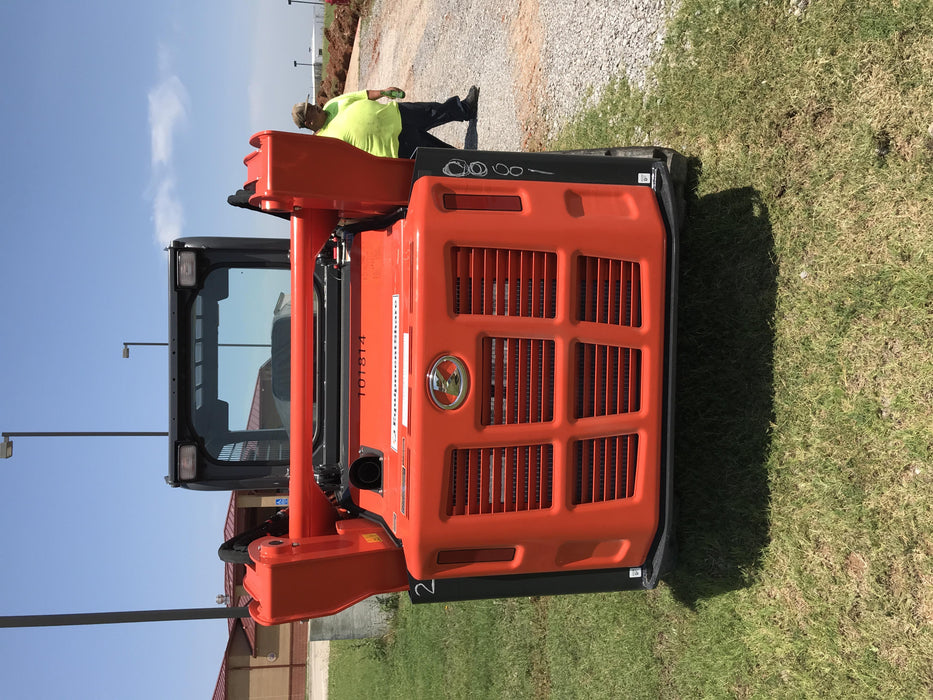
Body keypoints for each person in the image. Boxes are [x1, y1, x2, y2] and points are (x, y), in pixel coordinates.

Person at [292, 86, 479, 159]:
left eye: (312, 104)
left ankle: (465, 108)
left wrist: (383, 92)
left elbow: (361, 95)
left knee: (434, 110)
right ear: (308, 123)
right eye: (311, 109)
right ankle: (477, 165)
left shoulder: (333, 104)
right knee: (439, 154)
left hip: (397, 114)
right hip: (395, 145)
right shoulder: (325, 142)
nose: (317, 106)